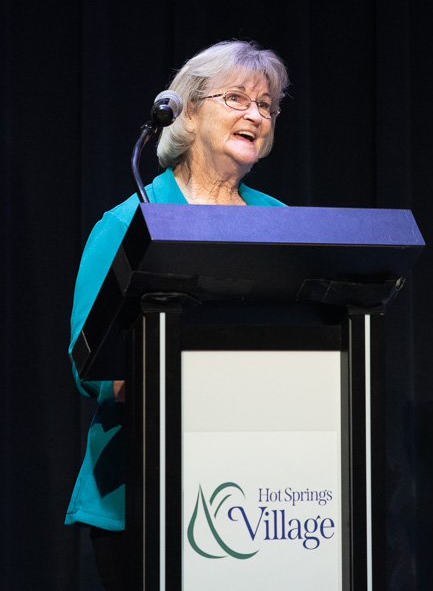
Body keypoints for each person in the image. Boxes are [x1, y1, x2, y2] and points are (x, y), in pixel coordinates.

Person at [65, 39, 289, 590]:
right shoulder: (128, 223)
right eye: (236, 98)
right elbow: (88, 366)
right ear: (188, 112)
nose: (255, 115)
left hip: (256, 494)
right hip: (141, 488)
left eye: (266, 105)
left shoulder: (283, 223)